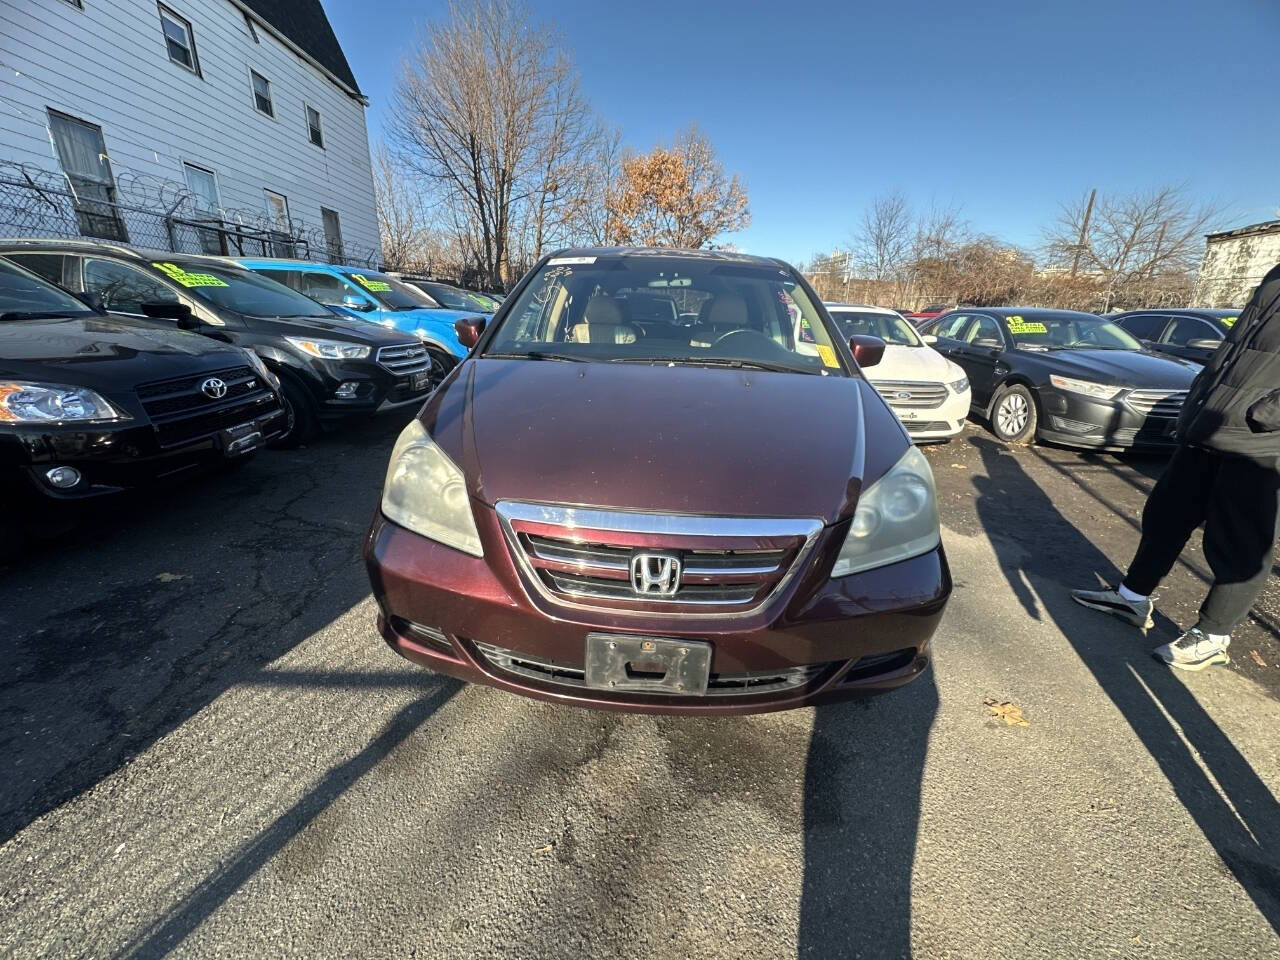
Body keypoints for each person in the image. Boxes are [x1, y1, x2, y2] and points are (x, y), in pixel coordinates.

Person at [1073, 263, 1280, 670]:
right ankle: (1132, 599)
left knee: (1239, 540)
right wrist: (1198, 404)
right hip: (1209, 424)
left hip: (1258, 440)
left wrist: (1265, 415)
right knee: (1166, 514)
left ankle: (1214, 635)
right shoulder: (1275, 277)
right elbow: (1234, 353)